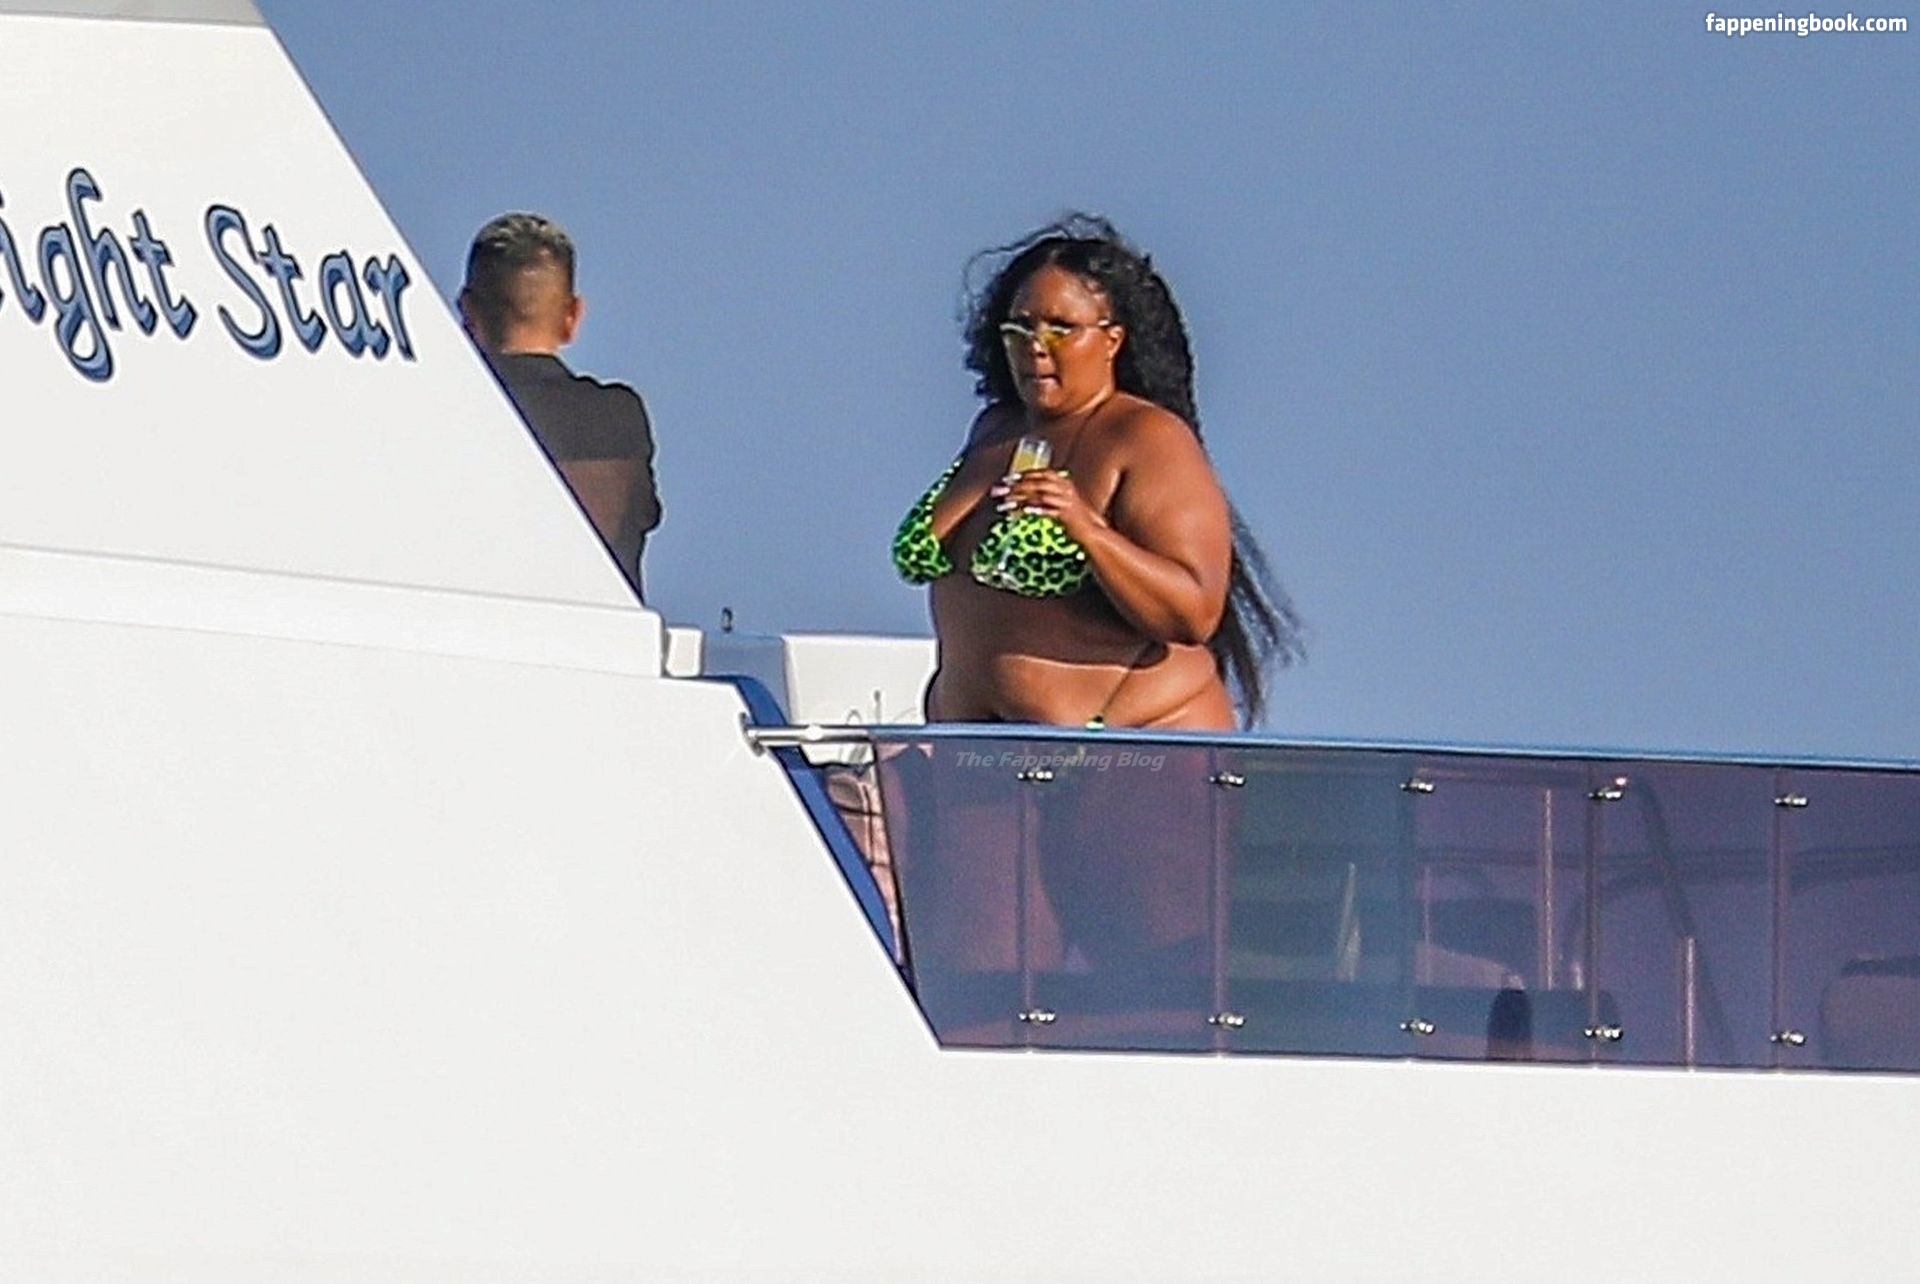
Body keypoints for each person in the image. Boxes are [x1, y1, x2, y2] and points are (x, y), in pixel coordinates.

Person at [893, 214, 1300, 731]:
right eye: (1020, 328)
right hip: (986, 751)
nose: (1036, 344)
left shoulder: (1147, 438)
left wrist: (1086, 529)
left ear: (1112, 340)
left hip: (1130, 747)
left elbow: (1194, 611)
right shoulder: (994, 430)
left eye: (1061, 328)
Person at [459, 213, 661, 599]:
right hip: (602, 632)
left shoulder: (452, 413)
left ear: (468, 312)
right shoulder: (620, 418)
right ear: (572, 317)